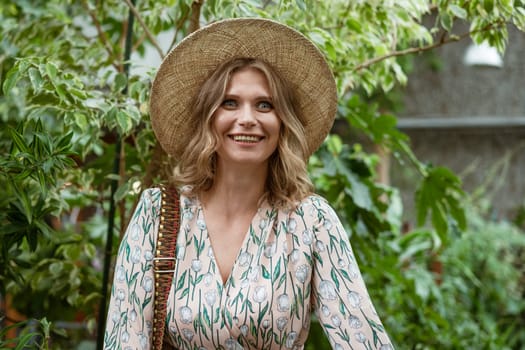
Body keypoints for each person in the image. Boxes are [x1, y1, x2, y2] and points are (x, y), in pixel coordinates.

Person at [104, 18, 394, 350]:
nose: (247, 118)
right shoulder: (157, 215)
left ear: (282, 122)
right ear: (208, 117)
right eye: (230, 103)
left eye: (264, 105)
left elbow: (363, 339)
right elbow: (124, 340)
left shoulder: (311, 222)